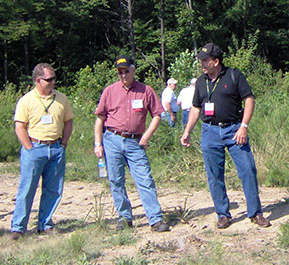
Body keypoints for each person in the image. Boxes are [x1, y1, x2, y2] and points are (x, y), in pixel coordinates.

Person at [180, 43, 271, 229]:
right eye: (201, 61)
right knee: (214, 175)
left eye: (205, 60)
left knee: (248, 170)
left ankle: (255, 213)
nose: (202, 64)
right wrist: (187, 131)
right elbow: (196, 108)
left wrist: (244, 126)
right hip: (210, 132)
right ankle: (222, 214)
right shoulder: (200, 81)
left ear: (216, 61)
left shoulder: (234, 75)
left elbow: (249, 99)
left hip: (234, 129)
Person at [94, 55, 169, 232]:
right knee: (116, 180)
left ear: (133, 70)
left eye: (126, 71)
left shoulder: (146, 91)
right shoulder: (109, 91)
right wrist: (98, 144)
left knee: (145, 179)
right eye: (120, 72)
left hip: (136, 142)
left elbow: (157, 115)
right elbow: (100, 119)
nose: (123, 75)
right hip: (112, 139)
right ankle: (124, 217)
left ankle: (155, 219)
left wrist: (146, 136)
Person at [10, 63, 73, 240]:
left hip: (56, 148)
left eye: (54, 78)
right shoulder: (26, 100)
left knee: (53, 189)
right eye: (49, 79)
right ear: (38, 80)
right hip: (35, 148)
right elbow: (20, 126)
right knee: (27, 188)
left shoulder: (61, 99)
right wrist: (29, 148)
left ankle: (45, 224)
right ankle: (18, 227)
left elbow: (68, 122)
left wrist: (64, 143)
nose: (53, 82)